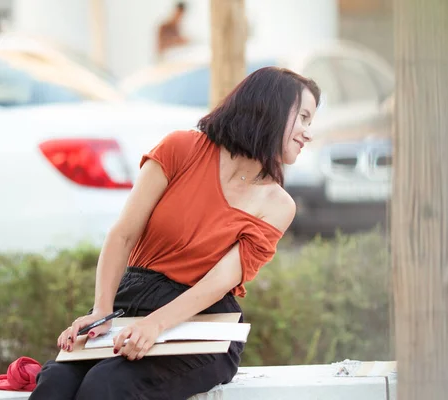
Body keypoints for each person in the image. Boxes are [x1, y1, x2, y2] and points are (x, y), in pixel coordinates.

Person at [29, 66, 321, 399]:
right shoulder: (180, 149)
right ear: (272, 108)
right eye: (304, 118)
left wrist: (157, 323)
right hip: (131, 302)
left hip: (202, 322)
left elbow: (218, 282)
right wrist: (101, 311)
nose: (307, 133)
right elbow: (123, 235)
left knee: (107, 386)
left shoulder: (277, 204)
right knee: (55, 383)